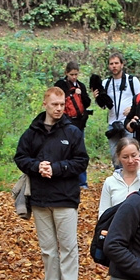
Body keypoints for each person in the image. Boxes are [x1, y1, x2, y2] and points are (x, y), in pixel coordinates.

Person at [15, 87, 89, 280]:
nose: (59, 108)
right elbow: (20, 157)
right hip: (39, 198)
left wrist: (57, 168)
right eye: (54, 104)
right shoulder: (32, 132)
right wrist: (37, 166)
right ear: (45, 104)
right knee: (48, 248)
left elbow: (81, 161)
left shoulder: (72, 132)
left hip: (65, 197)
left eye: (61, 104)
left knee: (68, 246)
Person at [95, 52, 140, 164]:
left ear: (122, 64)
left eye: (116, 63)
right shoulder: (106, 83)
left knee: (131, 156)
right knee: (115, 157)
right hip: (113, 124)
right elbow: (103, 106)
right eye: (111, 64)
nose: (114, 66)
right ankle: (118, 178)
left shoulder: (132, 81)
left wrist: (132, 109)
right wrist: (98, 98)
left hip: (128, 124)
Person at [54, 61, 92, 189]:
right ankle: (63, 178)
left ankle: (82, 182)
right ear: (66, 73)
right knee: (63, 150)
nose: (74, 77)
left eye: (76, 74)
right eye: (71, 74)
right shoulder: (60, 85)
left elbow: (87, 103)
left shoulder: (81, 85)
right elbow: (56, 99)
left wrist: (80, 94)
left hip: (79, 123)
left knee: (79, 151)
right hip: (65, 122)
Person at [98, 138, 140, 216]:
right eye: (125, 157)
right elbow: (103, 212)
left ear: (139, 153)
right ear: (119, 157)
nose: (130, 161)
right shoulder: (110, 181)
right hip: (117, 226)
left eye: (133, 156)